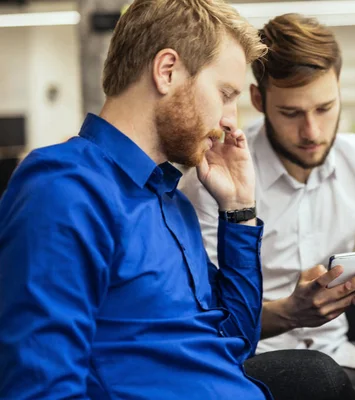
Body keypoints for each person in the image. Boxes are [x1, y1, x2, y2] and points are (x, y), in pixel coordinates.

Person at [180, 13, 355, 400]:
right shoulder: (214, 180)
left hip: (339, 357)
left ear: (339, 91)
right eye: (292, 113)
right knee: (317, 378)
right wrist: (289, 312)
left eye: (325, 108)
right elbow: (203, 321)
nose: (312, 132)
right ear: (259, 100)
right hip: (251, 368)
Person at [0, 0, 271, 398]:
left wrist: (239, 210)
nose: (231, 119)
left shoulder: (170, 200)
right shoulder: (64, 189)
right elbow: (41, 388)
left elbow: (232, 343)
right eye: (225, 93)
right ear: (167, 71)